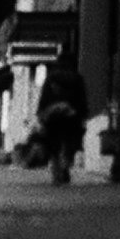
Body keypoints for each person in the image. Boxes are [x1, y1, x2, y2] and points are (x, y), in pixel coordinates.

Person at [36, 52, 89, 184]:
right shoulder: (77, 78)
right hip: (72, 115)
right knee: (69, 142)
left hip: (53, 117)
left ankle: (56, 173)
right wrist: (82, 114)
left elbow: (45, 97)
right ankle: (65, 165)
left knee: (54, 144)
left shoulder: (51, 78)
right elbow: (81, 98)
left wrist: (42, 114)